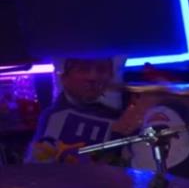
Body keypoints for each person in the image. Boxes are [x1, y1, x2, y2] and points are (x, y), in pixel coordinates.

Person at [25, 56, 156, 165]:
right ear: (65, 78)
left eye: (101, 70)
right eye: (83, 69)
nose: (92, 77)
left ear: (110, 77)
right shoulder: (54, 116)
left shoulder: (123, 118)